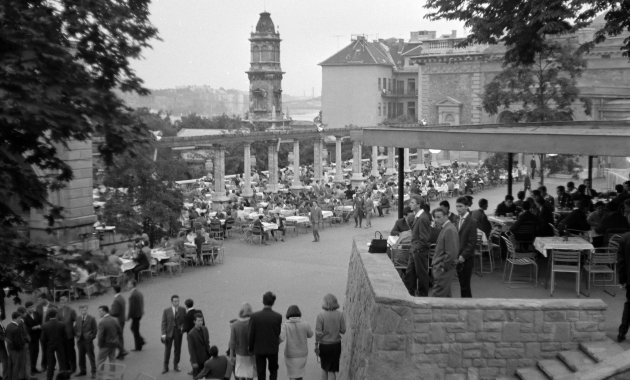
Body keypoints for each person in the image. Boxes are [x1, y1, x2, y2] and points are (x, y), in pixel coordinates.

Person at [248, 291, 282, 380]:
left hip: (259, 349)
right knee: (273, 371)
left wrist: (250, 348)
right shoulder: (278, 316)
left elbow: (251, 334)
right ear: (273, 302)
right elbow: (277, 332)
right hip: (273, 349)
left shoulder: (255, 316)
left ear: (263, 302)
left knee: (261, 373)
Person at [403, 195, 432, 297]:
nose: (410, 204)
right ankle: (409, 294)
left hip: (419, 251)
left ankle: (423, 296)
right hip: (415, 250)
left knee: (421, 274)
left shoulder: (423, 218)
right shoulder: (418, 216)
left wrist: (416, 249)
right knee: (410, 273)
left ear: (419, 204)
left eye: (412, 203)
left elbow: (424, 238)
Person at [315, 294, 345, 380]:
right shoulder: (340, 315)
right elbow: (343, 330)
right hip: (336, 346)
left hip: (324, 346)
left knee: (324, 369)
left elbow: (318, 333)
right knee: (332, 370)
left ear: (326, 303)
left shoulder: (320, 316)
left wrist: (316, 346)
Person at [431, 208, 459, 297]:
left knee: (437, 296)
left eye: (439, 217)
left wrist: (443, 267)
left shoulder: (449, 229)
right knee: (445, 296)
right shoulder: (446, 228)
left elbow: (451, 253)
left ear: (446, 216)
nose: (436, 220)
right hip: (442, 268)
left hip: (443, 269)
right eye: (435, 217)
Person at [279, 305, 313, 380]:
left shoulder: (285, 325)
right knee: (300, 375)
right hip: (302, 354)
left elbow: (281, 338)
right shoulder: (305, 324)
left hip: (290, 354)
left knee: (292, 375)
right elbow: (310, 335)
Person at [456, 196, 477, 298]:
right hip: (458, 256)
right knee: (462, 284)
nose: (458, 209)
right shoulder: (458, 219)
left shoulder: (472, 221)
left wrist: (463, 256)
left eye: (460, 206)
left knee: (465, 284)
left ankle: (467, 304)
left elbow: (472, 242)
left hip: (466, 258)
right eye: (457, 206)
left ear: (466, 207)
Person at [161, 294, 186, 374]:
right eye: (175, 301)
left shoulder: (182, 309)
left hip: (178, 332)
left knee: (177, 349)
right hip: (169, 333)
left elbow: (184, 320)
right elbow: (164, 323)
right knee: (167, 350)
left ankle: (176, 365)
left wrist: (182, 327)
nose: (177, 303)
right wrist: (163, 334)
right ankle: (165, 367)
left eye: (178, 301)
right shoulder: (166, 310)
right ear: (171, 302)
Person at [229, 303, 255, 380]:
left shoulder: (234, 325)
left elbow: (232, 343)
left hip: (240, 354)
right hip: (251, 354)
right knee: (250, 375)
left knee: (241, 375)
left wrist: (231, 357)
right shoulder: (254, 324)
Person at [41, 308, 68, 380]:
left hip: (50, 345)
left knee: (50, 364)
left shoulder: (45, 325)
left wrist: (46, 345)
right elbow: (65, 337)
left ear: (48, 316)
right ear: (56, 315)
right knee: (62, 363)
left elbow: (43, 339)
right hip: (60, 345)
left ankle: (49, 378)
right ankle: (63, 378)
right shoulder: (62, 324)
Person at [74, 305, 97, 378]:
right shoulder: (77, 318)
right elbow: (75, 328)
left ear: (87, 310)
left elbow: (95, 330)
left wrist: (91, 337)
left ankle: (93, 372)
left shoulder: (92, 318)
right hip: (80, 341)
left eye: (85, 310)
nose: (83, 311)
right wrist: (77, 335)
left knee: (91, 357)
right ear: (79, 311)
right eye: (82, 310)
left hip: (88, 341)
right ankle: (82, 371)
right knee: (81, 357)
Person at [96, 305, 120, 370]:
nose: (99, 313)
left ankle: (100, 376)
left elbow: (100, 336)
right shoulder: (115, 319)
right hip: (113, 344)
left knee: (100, 361)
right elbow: (119, 331)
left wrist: (100, 344)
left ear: (104, 311)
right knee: (112, 360)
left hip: (105, 345)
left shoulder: (102, 322)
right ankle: (112, 376)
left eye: (100, 311)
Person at [58, 295, 77, 373]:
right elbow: (57, 320)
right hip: (61, 335)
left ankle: (73, 367)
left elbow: (76, 321)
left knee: (71, 351)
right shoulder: (58, 310)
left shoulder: (71, 310)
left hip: (69, 334)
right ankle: (66, 367)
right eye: (61, 301)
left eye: (64, 301)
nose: (63, 303)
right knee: (63, 351)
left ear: (67, 302)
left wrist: (74, 330)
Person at [6, 311, 26, 380]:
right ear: (16, 318)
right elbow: (18, 341)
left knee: (11, 366)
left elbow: (7, 338)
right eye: (20, 318)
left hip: (10, 349)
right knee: (16, 367)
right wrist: (21, 347)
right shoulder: (16, 328)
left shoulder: (8, 325)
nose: (20, 319)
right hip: (17, 350)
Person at [617, 231, 630, 342]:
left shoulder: (625, 238)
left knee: (629, 304)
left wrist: (622, 280)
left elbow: (621, 262)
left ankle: (622, 332)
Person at [23, 301, 41, 375]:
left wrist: (39, 326)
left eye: (33, 306)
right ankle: (30, 370)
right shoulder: (25, 317)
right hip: (30, 338)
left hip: (37, 337)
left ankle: (34, 367)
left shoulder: (36, 313)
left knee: (36, 352)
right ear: (27, 308)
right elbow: (25, 329)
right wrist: (33, 328)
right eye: (30, 307)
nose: (32, 308)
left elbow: (40, 322)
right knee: (31, 354)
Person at [109, 286, 127, 359]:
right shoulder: (121, 298)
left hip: (118, 320)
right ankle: (121, 353)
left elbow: (114, 312)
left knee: (116, 337)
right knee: (120, 336)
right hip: (122, 319)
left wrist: (109, 312)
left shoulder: (116, 300)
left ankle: (122, 351)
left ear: (114, 290)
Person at [127, 280, 145, 352]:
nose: (127, 285)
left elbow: (131, 307)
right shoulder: (138, 292)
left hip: (136, 314)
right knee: (134, 329)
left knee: (135, 330)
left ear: (132, 285)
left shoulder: (133, 294)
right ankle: (140, 341)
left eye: (128, 284)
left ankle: (139, 345)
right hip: (139, 313)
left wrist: (128, 316)